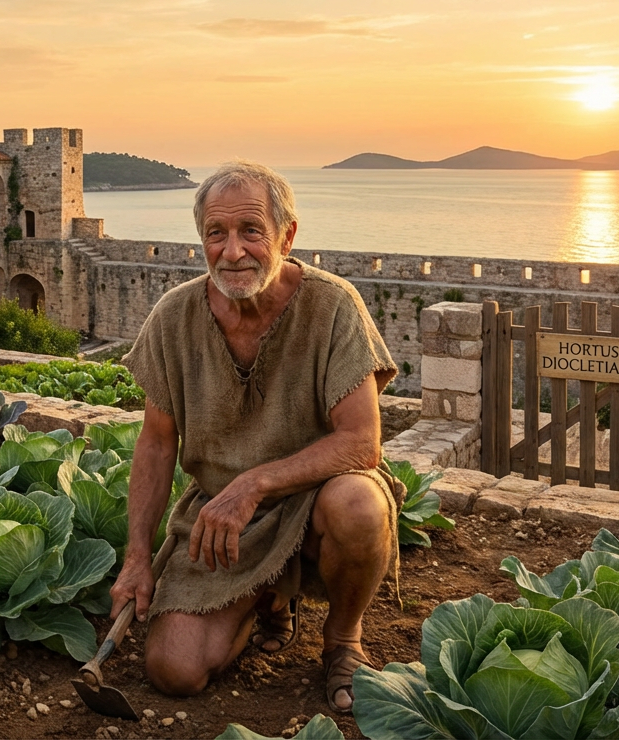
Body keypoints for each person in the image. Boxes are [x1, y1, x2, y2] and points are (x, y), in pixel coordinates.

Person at [111, 160, 402, 713]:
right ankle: (266, 597)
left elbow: (362, 443)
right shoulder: (174, 318)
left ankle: (343, 641)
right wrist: (137, 558)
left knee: (360, 505)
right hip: (222, 518)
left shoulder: (332, 305)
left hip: (317, 498)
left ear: (287, 235)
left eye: (251, 231)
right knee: (173, 670)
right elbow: (155, 443)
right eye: (215, 234)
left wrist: (254, 484)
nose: (233, 251)